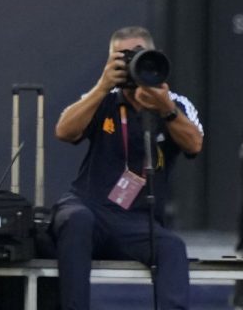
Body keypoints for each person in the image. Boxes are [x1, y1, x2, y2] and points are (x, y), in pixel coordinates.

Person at [51, 26, 204, 310]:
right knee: (77, 220)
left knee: (172, 248)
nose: (131, 65)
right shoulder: (103, 98)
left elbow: (194, 145)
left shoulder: (176, 103)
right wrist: (101, 86)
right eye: (122, 58)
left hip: (137, 221)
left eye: (137, 56)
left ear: (153, 57)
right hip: (89, 206)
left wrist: (165, 108)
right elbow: (64, 131)